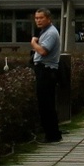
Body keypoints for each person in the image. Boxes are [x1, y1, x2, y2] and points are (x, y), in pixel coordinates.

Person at [29, 8, 64, 141]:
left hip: (46, 70)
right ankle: (52, 133)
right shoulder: (45, 31)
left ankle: (52, 134)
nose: (38, 20)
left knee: (46, 104)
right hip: (44, 69)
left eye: (41, 18)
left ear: (49, 19)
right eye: (36, 18)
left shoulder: (50, 33)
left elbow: (43, 51)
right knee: (46, 103)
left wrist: (33, 43)